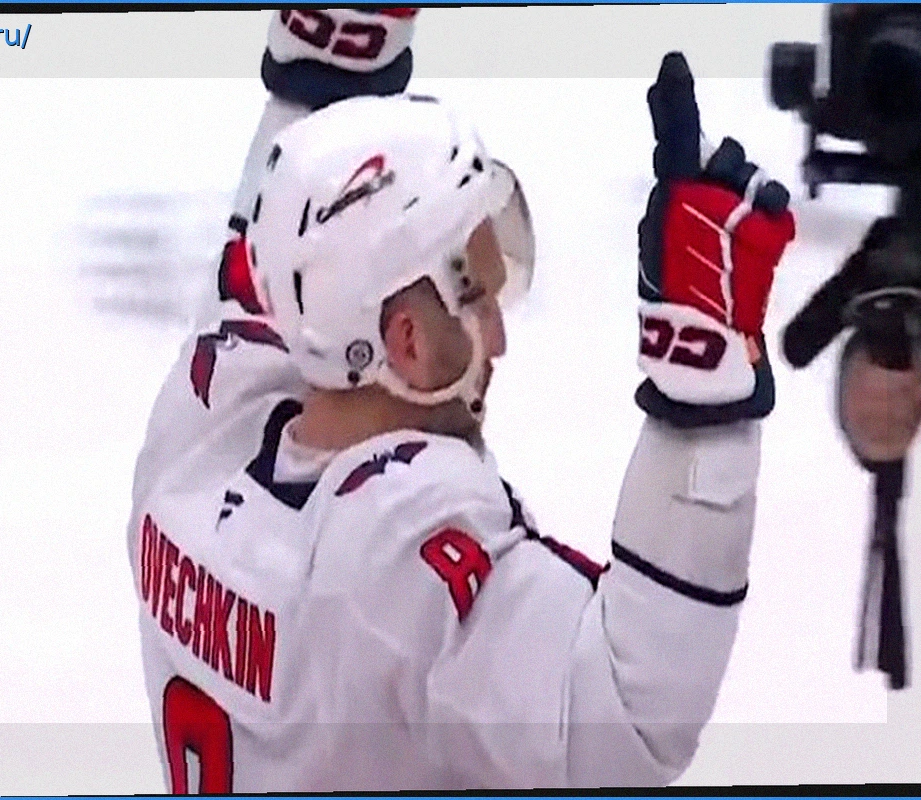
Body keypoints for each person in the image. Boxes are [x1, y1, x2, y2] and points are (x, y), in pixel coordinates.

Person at [127, 44, 795, 791]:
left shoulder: (197, 439)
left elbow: (277, 253)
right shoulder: (396, 546)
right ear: (407, 342)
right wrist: (701, 389)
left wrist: (326, 62)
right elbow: (625, 725)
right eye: (475, 299)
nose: (498, 337)